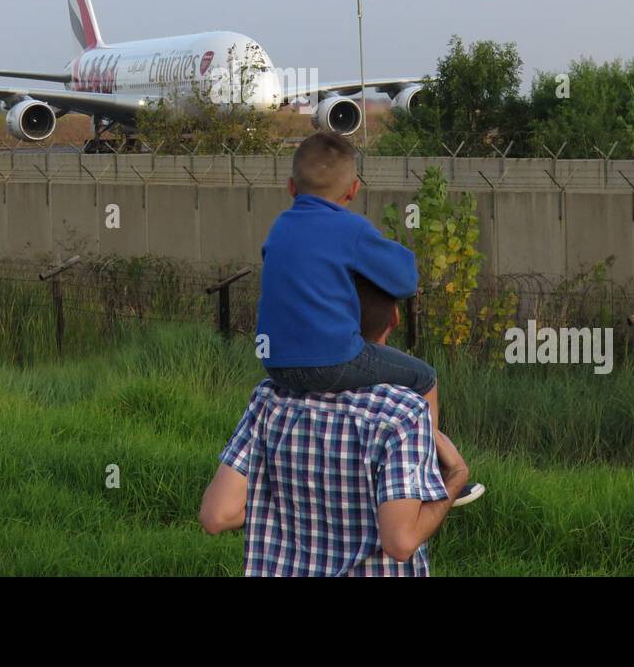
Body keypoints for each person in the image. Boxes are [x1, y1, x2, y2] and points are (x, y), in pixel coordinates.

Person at [199, 273, 481, 575]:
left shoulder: (270, 399)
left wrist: (287, 507)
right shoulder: (403, 413)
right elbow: (400, 542)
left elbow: (217, 515)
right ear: (395, 318)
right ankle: (431, 476)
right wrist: (455, 477)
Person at [255, 132, 479, 502]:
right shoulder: (351, 229)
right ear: (353, 190)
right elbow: (405, 281)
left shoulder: (280, 225)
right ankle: (427, 477)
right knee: (424, 378)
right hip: (331, 360)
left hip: (275, 364)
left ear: (291, 186)